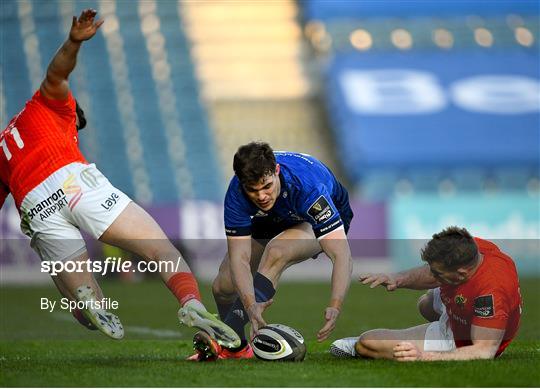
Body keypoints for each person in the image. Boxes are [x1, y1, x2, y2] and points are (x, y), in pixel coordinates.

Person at [0, 9, 239, 348]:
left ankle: (86, 299)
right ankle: (191, 304)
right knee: (160, 250)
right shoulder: (53, 105)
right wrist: (73, 42)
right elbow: (57, 73)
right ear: (73, 112)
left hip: (34, 205)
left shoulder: (3, 149)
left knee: (84, 304)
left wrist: (53, 263)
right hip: (71, 179)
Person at [189, 141, 354, 361]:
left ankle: (223, 339)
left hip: (312, 216)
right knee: (223, 286)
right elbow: (240, 258)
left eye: (267, 186)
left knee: (277, 251)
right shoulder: (237, 192)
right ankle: (236, 347)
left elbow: (341, 255)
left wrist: (335, 305)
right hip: (274, 216)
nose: (261, 196)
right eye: (253, 190)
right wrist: (249, 304)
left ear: (276, 171)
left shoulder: (309, 188)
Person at [330, 226, 522, 361]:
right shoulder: (473, 249)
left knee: (368, 343)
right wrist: (397, 279)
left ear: (461, 273)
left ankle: (433, 339)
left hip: (467, 341)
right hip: (463, 307)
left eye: (438, 273)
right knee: (425, 303)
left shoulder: (490, 293)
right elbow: (431, 273)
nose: (432, 274)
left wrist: (425, 357)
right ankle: (444, 318)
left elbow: (483, 351)